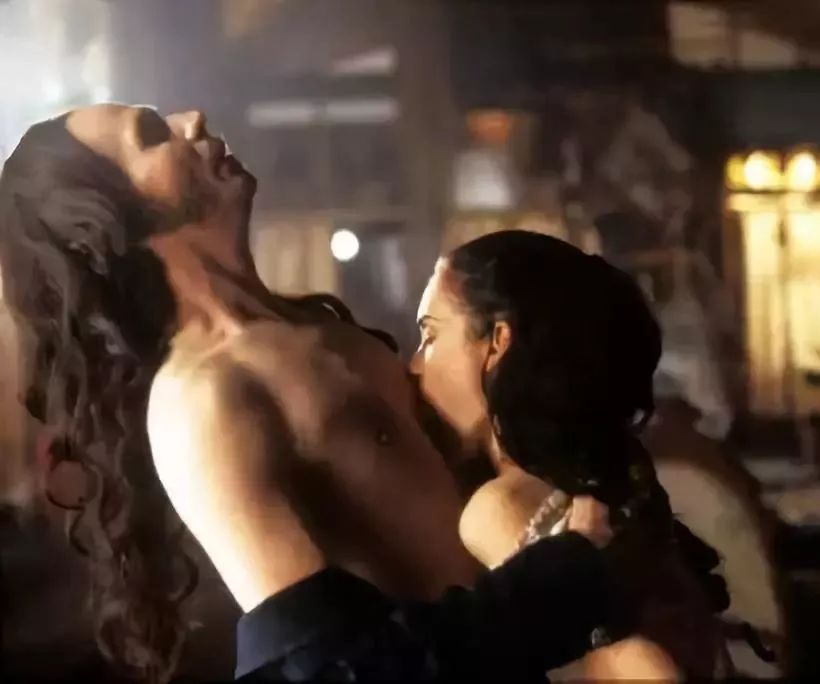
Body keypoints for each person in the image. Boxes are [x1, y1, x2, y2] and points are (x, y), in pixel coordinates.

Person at [0, 106, 621, 683]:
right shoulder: (203, 398)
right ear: (104, 224)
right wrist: (562, 579)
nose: (192, 119)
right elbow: (326, 670)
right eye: (151, 135)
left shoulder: (320, 330)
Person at [411, 229, 732, 679]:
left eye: (430, 335)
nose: (415, 365)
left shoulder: (502, 505)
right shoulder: (601, 491)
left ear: (497, 342)